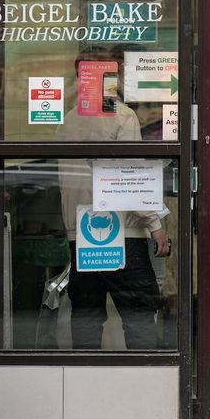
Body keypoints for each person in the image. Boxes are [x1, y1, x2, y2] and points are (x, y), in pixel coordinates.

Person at [57, 55, 168, 350]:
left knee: (87, 314)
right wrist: (155, 224)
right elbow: (128, 176)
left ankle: (85, 375)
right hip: (122, 232)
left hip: (81, 233)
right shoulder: (122, 116)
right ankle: (143, 379)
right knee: (139, 312)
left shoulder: (68, 119)